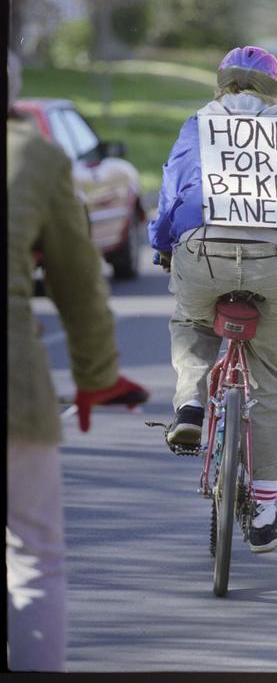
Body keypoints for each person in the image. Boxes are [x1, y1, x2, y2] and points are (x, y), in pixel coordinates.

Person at [148, 45, 277, 553]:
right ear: (275, 87)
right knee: (269, 376)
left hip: (202, 252)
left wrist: (162, 244)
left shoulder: (197, 125)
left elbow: (172, 192)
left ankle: (190, 406)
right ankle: (265, 513)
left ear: (221, 83)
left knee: (191, 322)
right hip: (276, 260)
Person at [7, 50, 149, 672]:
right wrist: (97, 376)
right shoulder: (35, 156)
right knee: (33, 555)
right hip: (14, 385)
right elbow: (78, 280)